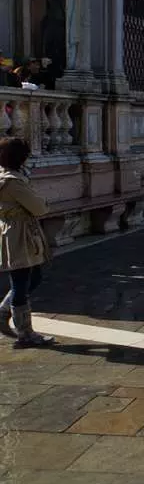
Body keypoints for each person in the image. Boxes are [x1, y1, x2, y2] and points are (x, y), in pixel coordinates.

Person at [0, 138, 54, 348]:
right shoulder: (13, 182)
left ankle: (4, 311)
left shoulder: (8, 177)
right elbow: (38, 207)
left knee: (33, 276)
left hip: (18, 232)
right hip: (20, 235)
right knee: (21, 281)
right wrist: (43, 203)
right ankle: (25, 333)